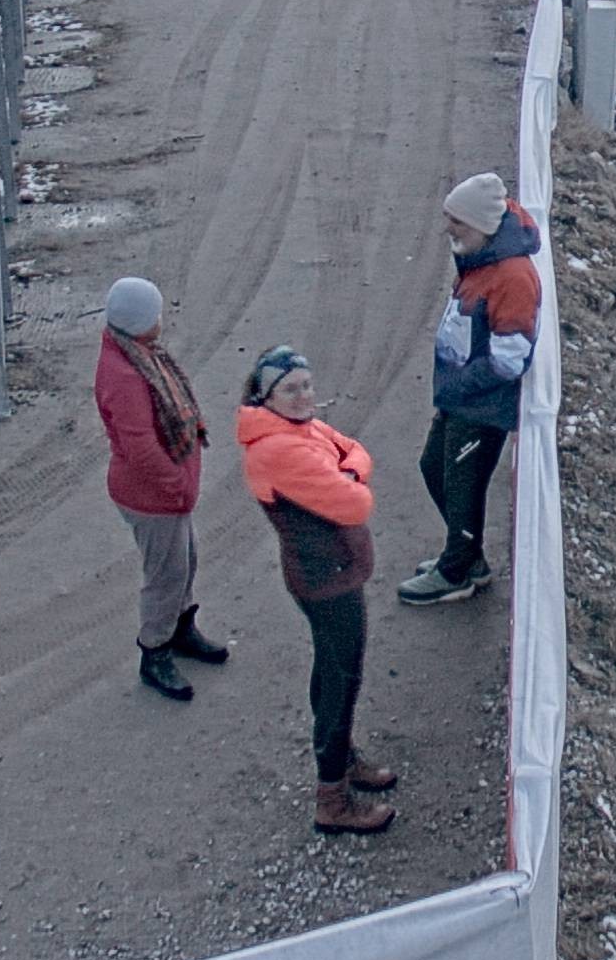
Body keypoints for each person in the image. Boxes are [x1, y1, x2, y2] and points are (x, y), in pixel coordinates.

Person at [237, 345, 399, 834]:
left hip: (331, 573)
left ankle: (342, 758)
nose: (304, 395)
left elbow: (356, 450)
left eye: (307, 385)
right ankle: (332, 797)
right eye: (290, 389)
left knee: (332, 669)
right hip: (326, 581)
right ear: (266, 397)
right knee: (340, 679)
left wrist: (344, 470)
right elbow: (355, 505)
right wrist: (347, 475)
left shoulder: (295, 430)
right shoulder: (280, 448)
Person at [404, 171, 541, 607]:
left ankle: (456, 571)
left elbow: (509, 359)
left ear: (481, 226)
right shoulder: (482, 256)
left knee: (462, 487)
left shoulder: (512, 277)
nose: (448, 229)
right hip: (461, 400)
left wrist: (461, 384)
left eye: (456, 222)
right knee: (434, 469)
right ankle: (467, 557)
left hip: (479, 407)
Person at [93, 275, 226, 701]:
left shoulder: (136, 354)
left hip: (166, 494)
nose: (161, 321)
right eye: (155, 315)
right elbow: (142, 450)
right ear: (139, 322)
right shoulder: (127, 376)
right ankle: (155, 651)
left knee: (183, 562)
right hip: (152, 497)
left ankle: (181, 629)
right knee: (166, 575)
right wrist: (177, 487)